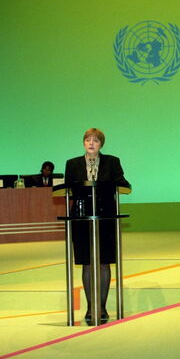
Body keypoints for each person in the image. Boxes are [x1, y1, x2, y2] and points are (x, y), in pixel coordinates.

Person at [65, 128, 128, 324]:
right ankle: (91, 307)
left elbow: (122, 182)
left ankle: (101, 306)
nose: (91, 143)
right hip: (82, 218)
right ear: (83, 143)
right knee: (87, 262)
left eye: (96, 140)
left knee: (103, 262)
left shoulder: (112, 162)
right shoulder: (72, 164)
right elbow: (68, 188)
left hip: (105, 216)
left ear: (101, 144)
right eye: (88, 140)